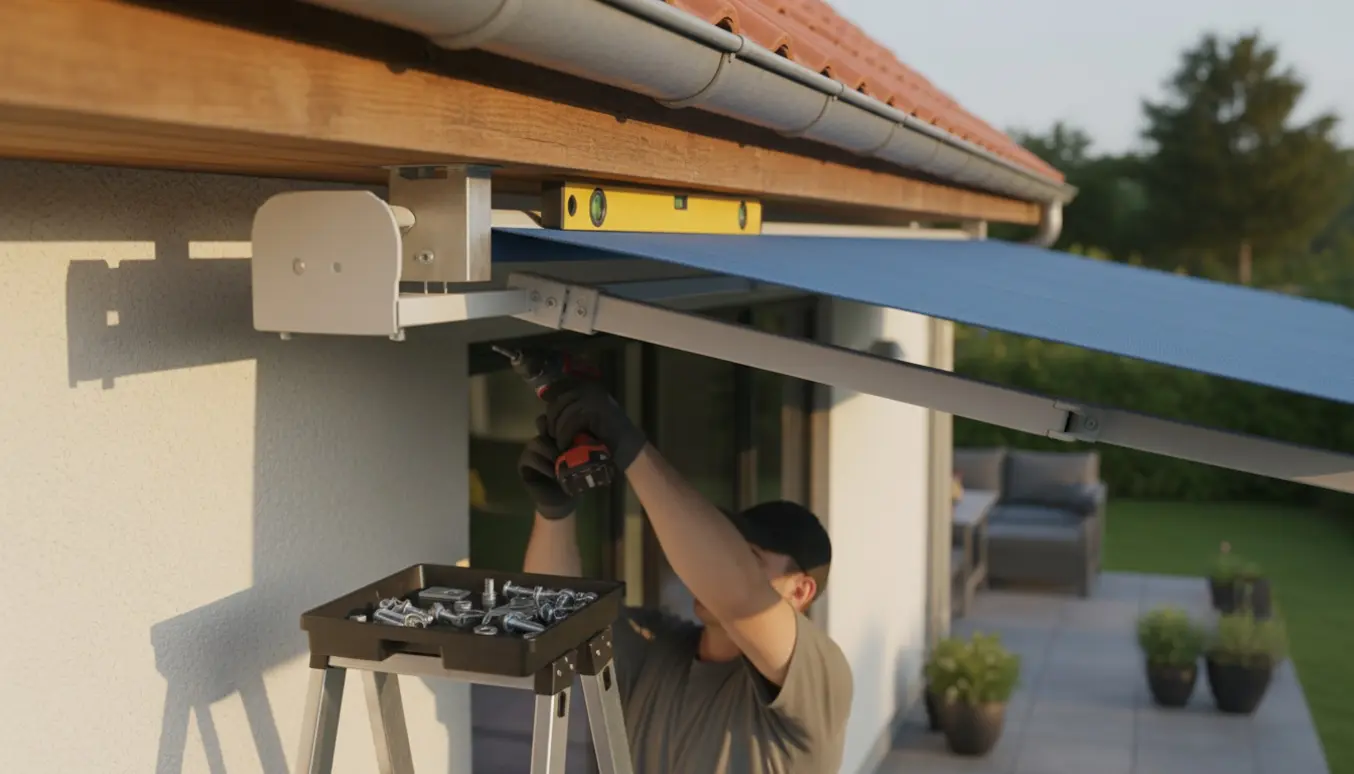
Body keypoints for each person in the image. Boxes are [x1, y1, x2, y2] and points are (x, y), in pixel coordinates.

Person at [517, 379, 853, 774]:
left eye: (749, 557)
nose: (715, 570)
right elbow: (554, 619)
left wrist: (628, 445)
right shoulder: (654, 647)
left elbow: (739, 595)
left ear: (801, 590)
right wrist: (553, 512)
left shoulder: (819, 677)